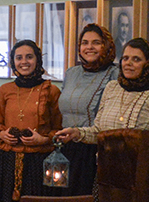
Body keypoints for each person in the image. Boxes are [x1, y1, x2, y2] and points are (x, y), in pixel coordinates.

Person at [55, 38, 149, 202]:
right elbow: (100, 132)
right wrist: (77, 133)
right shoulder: (113, 88)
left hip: (147, 175)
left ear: (148, 64)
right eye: (126, 58)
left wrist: (124, 144)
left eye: (136, 59)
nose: (128, 63)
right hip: (110, 174)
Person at [0, 40, 63, 201]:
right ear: (13, 62)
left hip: (40, 159)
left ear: (37, 60)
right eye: (19, 58)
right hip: (8, 160)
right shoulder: (5, 90)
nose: (24, 62)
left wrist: (43, 139)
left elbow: (59, 129)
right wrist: (2, 134)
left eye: (29, 57)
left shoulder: (51, 90)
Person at [58, 23, 117, 196]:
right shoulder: (71, 73)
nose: (89, 47)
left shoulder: (115, 74)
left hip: (95, 149)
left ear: (106, 46)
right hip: (66, 147)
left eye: (96, 42)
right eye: (84, 42)